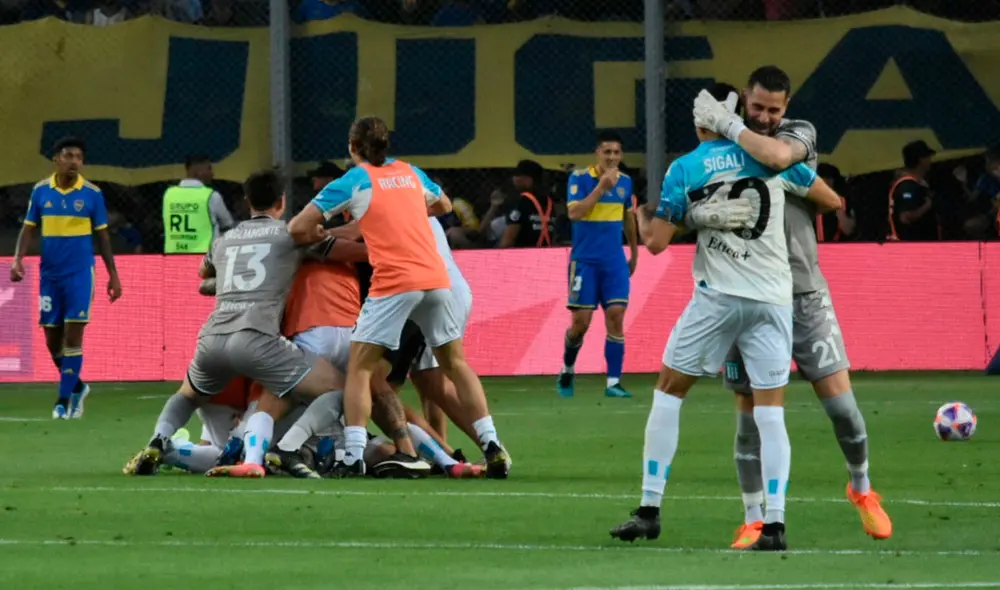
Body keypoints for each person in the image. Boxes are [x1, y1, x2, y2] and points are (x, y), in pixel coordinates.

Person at [610, 82, 843, 551]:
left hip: (718, 298)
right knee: (770, 412)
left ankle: (650, 510)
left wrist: (685, 216)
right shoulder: (770, 155)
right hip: (774, 300)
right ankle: (774, 526)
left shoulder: (685, 168)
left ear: (704, 117)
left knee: (669, 394)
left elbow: (655, 243)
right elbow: (831, 200)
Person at [692, 65, 893, 546]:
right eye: (756, 107)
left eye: (773, 109)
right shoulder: (716, 155)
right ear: (745, 98)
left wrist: (733, 130)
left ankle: (862, 488)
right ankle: (754, 516)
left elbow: (820, 191)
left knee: (843, 408)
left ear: (786, 107)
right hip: (745, 293)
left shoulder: (796, 135)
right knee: (750, 417)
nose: (764, 116)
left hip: (803, 292)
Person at [287, 116, 510, 479]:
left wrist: (322, 230)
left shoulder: (354, 180)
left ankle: (353, 455)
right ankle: (492, 444)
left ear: (352, 147)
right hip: (438, 279)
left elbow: (298, 226)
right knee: (454, 364)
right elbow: (445, 205)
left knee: (360, 367)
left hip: (396, 281)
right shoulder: (410, 172)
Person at [10, 136, 122, 419]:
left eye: (79, 157)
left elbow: (103, 237)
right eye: (68, 155)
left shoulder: (92, 194)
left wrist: (113, 275)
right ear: (56, 160)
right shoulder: (40, 192)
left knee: (73, 337)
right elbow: (28, 228)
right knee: (51, 340)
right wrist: (18, 259)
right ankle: (78, 386)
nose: (74, 161)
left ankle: (62, 401)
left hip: (80, 274)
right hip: (50, 275)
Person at [557, 130, 639, 399]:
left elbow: (629, 219)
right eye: (607, 152)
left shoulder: (626, 182)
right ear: (597, 153)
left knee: (616, 316)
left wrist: (634, 253)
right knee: (581, 323)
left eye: (616, 152)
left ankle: (613, 382)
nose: (612, 157)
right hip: (585, 261)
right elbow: (574, 212)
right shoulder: (580, 178)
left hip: (614, 261)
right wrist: (601, 187)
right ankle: (568, 367)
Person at [162, 154, 235, 254]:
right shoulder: (211, 196)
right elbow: (227, 225)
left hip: (174, 257)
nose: (212, 173)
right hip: (204, 259)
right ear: (197, 171)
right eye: (208, 168)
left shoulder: (169, 195)